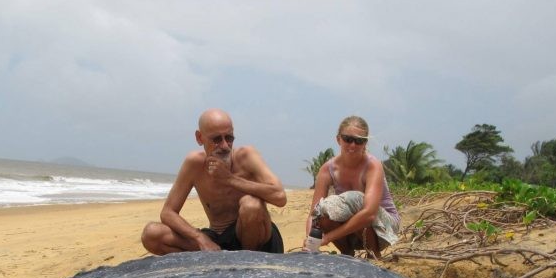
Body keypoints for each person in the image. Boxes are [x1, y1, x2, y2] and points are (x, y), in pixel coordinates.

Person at [141, 109, 287, 254]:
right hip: (218, 241)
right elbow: (168, 212)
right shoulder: (195, 164)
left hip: (256, 241)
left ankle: (247, 263)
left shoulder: (246, 156)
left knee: (251, 205)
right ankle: (223, 258)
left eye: (229, 138)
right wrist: (199, 238)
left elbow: (280, 197)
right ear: (200, 138)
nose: (224, 146)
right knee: (152, 234)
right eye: (216, 139)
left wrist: (229, 179)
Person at [305, 115, 400, 258]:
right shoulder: (327, 169)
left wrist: (327, 238)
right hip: (352, 230)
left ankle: (374, 256)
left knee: (356, 199)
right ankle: (347, 254)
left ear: (365, 143)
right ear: (338, 139)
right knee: (322, 212)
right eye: (348, 139)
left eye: (359, 141)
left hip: (385, 229)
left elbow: (369, 213)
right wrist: (310, 239)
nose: (353, 145)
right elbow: (314, 213)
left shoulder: (372, 165)